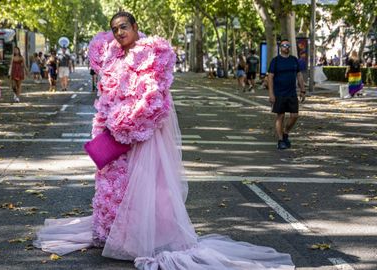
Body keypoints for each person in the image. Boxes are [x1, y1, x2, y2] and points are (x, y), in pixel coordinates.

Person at [34, 11, 295, 270]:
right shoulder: (114, 56)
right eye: (115, 29)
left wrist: (129, 123)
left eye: (124, 26)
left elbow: (155, 99)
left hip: (144, 134)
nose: (119, 32)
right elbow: (106, 89)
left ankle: (142, 236)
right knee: (117, 183)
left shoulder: (153, 53)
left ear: (136, 26)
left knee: (146, 184)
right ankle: (117, 231)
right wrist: (111, 124)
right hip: (115, 132)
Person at [268, 39, 305, 150]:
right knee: (281, 116)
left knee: (294, 116)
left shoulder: (294, 60)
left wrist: (302, 90)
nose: (286, 47)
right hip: (279, 93)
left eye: (288, 45)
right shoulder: (275, 61)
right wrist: (271, 94)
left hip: (292, 93)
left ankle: (285, 133)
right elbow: (270, 77)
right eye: (284, 45)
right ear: (280, 47)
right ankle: (280, 140)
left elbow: (299, 75)